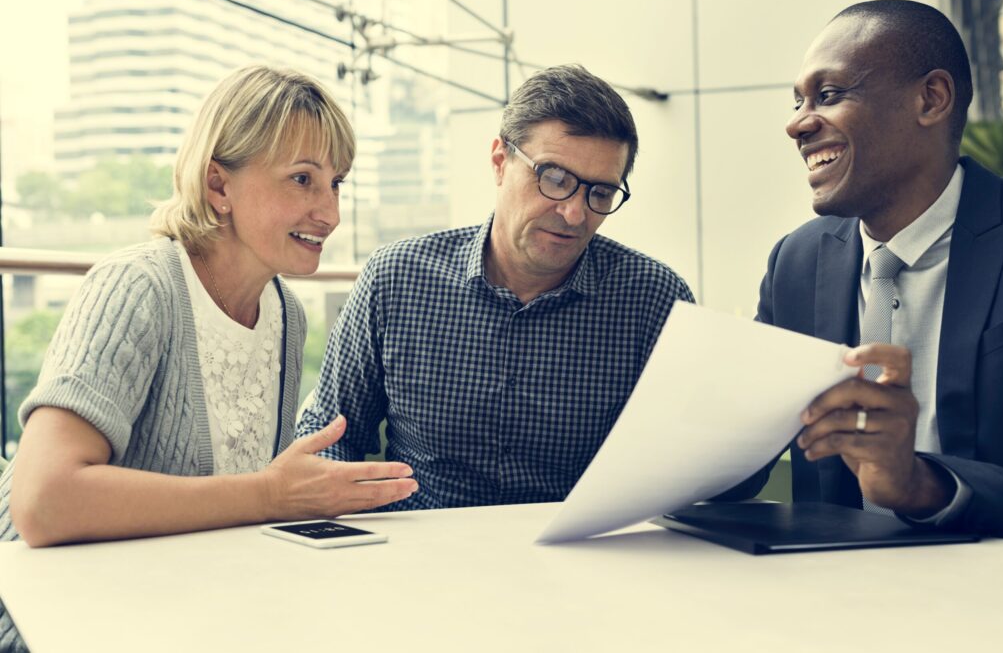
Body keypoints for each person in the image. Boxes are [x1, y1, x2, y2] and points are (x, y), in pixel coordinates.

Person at [0, 64, 421, 648]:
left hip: (179, 611)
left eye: (336, 183)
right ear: (218, 186)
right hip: (49, 622)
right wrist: (274, 495)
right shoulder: (138, 287)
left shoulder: (285, 313)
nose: (330, 213)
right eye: (302, 179)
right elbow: (43, 504)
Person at [298, 64, 694, 510]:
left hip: (579, 562)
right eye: (555, 179)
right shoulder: (397, 278)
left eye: (600, 193)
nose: (575, 214)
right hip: (420, 559)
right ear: (500, 162)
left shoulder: (654, 300)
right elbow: (329, 437)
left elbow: (692, 465)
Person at [755, 0, 1003, 540]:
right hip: (833, 598)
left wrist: (925, 486)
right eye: (798, 101)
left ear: (931, 99)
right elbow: (738, 460)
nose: (796, 124)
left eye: (827, 96)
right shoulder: (795, 263)